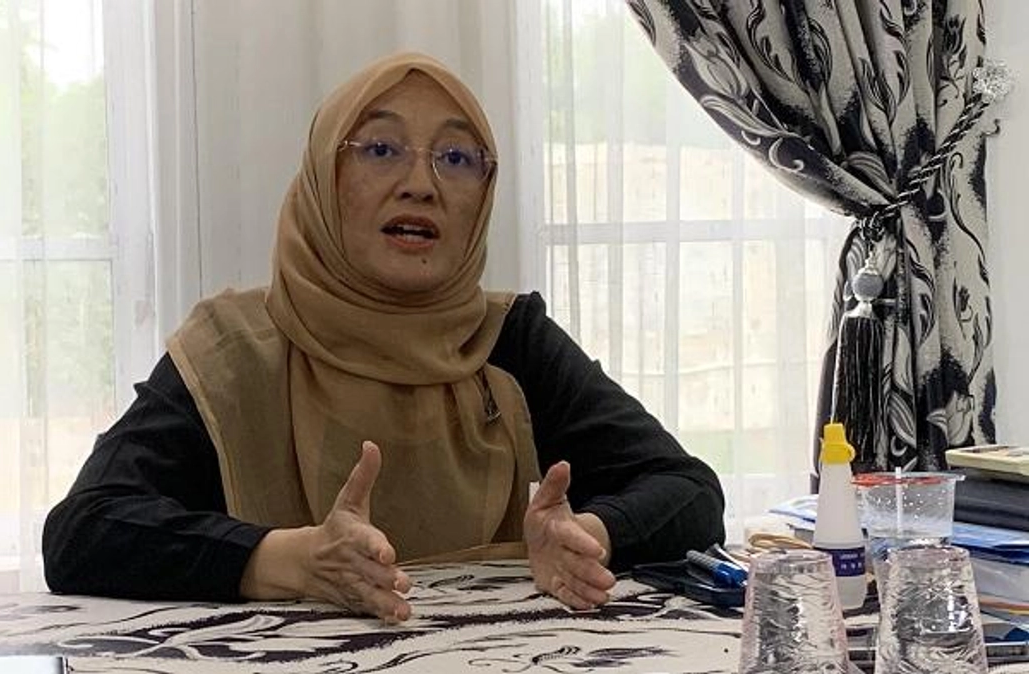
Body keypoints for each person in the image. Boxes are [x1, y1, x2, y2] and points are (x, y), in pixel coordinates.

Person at [43, 52, 725, 623]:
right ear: (323, 177)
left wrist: (586, 536)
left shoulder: (509, 340)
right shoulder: (233, 350)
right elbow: (85, 530)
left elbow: (690, 491)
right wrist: (291, 560)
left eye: (456, 157)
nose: (421, 185)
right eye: (380, 149)